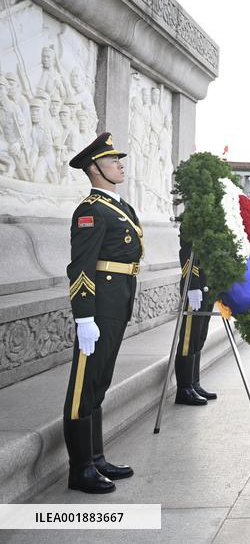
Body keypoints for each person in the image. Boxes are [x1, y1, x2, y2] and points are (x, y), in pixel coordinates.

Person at [63, 132, 142, 493]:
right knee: (84, 386)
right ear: (94, 168)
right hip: (98, 307)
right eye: (112, 160)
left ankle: (96, 458)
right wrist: (84, 317)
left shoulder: (119, 206)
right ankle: (80, 469)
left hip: (117, 301)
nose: (120, 165)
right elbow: (81, 266)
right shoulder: (91, 211)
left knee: (99, 382)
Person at [175, 243, 217, 405]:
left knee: (199, 337)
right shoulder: (191, 224)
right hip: (196, 287)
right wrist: (192, 285)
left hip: (208, 286)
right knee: (189, 339)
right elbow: (187, 252)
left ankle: (194, 384)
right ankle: (184, 389)